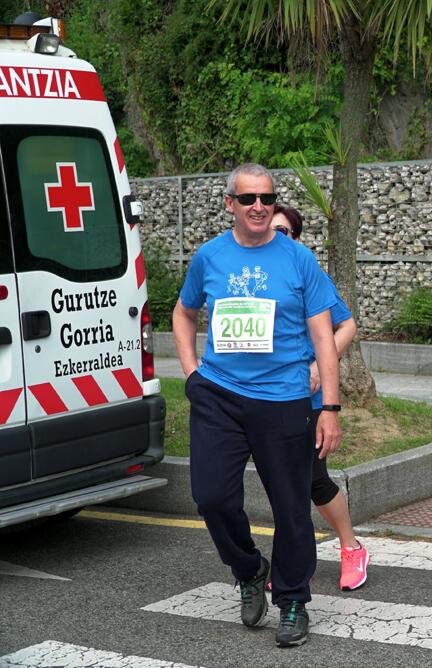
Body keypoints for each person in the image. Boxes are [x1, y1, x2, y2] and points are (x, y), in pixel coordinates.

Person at [172, 163, 343, 648]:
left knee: (290, 507)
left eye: (267, 198)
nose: (259, 207)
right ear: (230, 203)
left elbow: (324, 337)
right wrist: (191, 375)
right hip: (219, 396)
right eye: (248, 199)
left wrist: (328, 406)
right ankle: (249, 570)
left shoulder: (298, 259)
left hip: (284, 400)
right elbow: (183, 314)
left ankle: (292, 599)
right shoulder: (209, 257)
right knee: (211, 497)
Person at [270, 204, 371, 590]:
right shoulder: (255, 276)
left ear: (297, 238)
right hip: (268, 398)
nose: (277, 238)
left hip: (307, 398)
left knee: (312, 479)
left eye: (286, 232)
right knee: (282, 481)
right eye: (273, 231)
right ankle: (294, 561)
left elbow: (346, 325)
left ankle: (351, 548)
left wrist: (317, 364)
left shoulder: (305, 272)